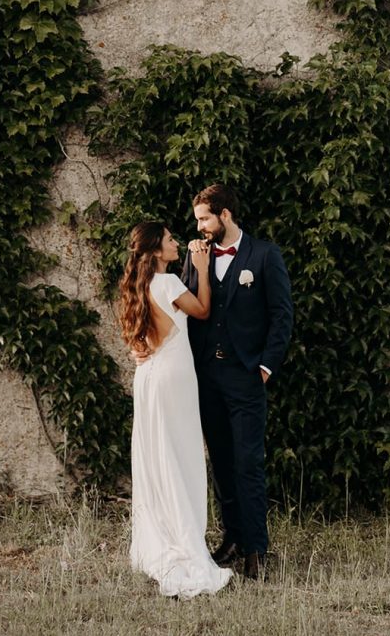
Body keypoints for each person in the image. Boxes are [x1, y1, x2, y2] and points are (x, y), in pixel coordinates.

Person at [181, 183, 293, 581]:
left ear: (225, 215)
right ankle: (233, 539)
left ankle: (257, 550)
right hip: (206, 376)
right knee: (222, 463)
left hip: (246, 378)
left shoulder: (264, 256)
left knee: (248, 463)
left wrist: (265, 367)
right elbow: (186, 307)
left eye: (204, 218)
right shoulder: (196, 256)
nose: (199, 226)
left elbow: (282, 316)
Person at [119, 221, 233, 599]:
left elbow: (138, 340)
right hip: (174, 378)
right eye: (169, 240)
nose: (176, 243)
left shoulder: (137, 287)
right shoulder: (167, 284)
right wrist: (200, 270)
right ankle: (184, 539)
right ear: (154, 250)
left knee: (157, 456)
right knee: (181, 457)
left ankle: (161, 535)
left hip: (149, 377)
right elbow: (201, 311)